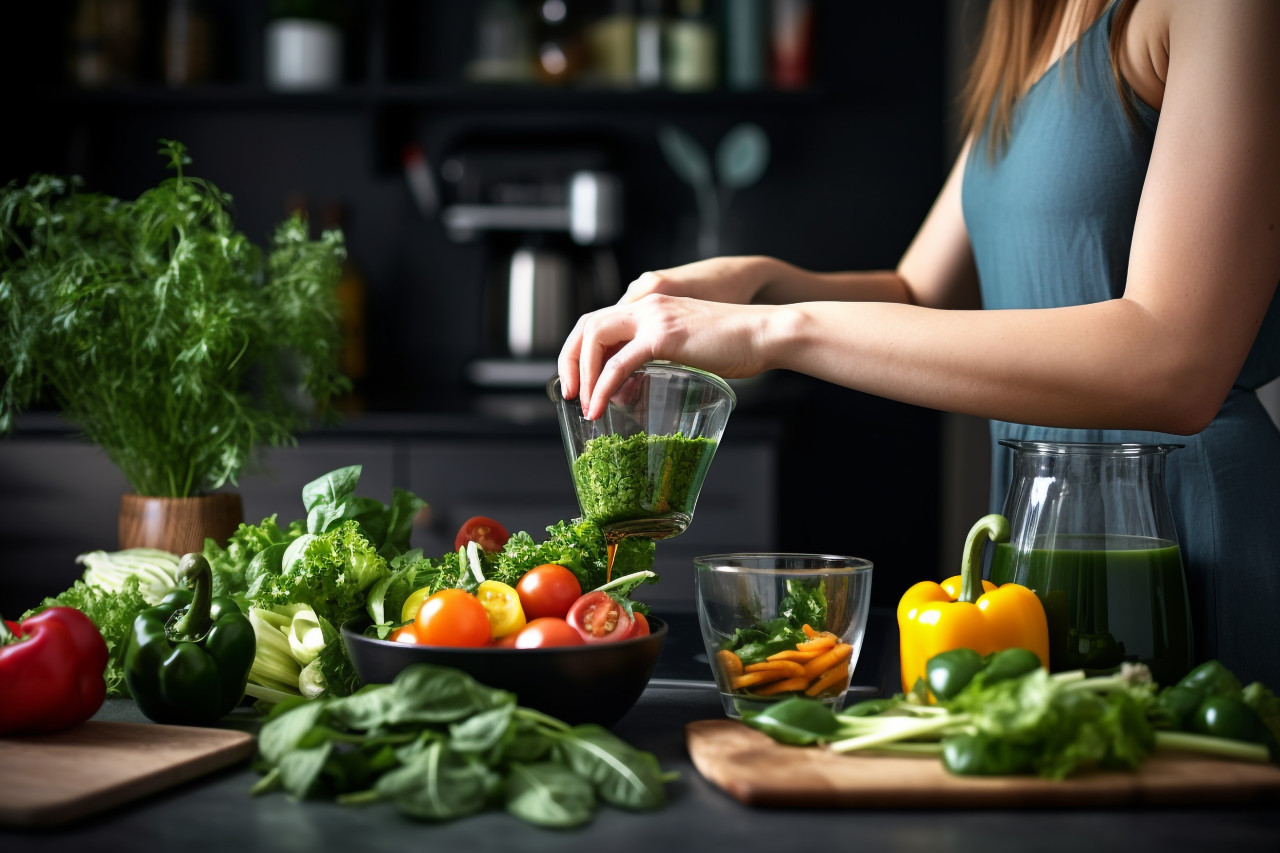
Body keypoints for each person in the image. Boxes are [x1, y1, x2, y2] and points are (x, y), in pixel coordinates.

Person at [557, 0, 1280, 688]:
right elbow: (919, 294)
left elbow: (1177, 360)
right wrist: (757, 283)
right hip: (1035, 536)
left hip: (1186, 546)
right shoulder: (1033, 25)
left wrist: (772, 329)